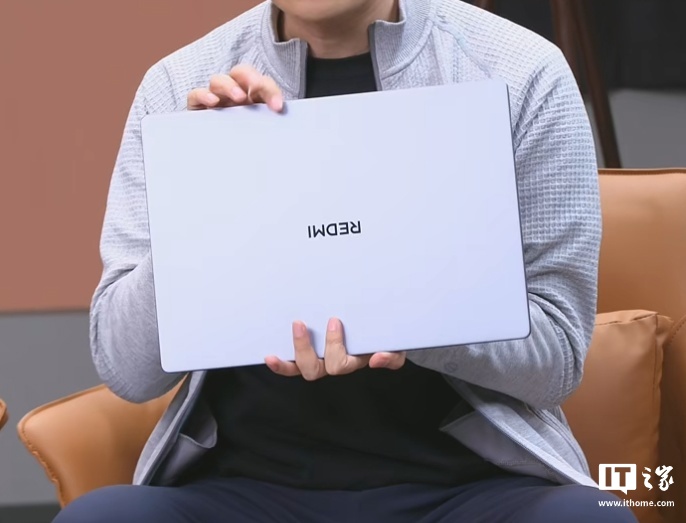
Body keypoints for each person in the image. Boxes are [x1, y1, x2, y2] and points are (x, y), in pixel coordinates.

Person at [54, 0, 637, 522]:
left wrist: (410, 325)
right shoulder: (179, 85)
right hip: (239, 487)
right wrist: (202, 194)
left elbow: (557, 360)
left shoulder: (519, 71)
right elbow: (127, 368)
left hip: (475, 486)